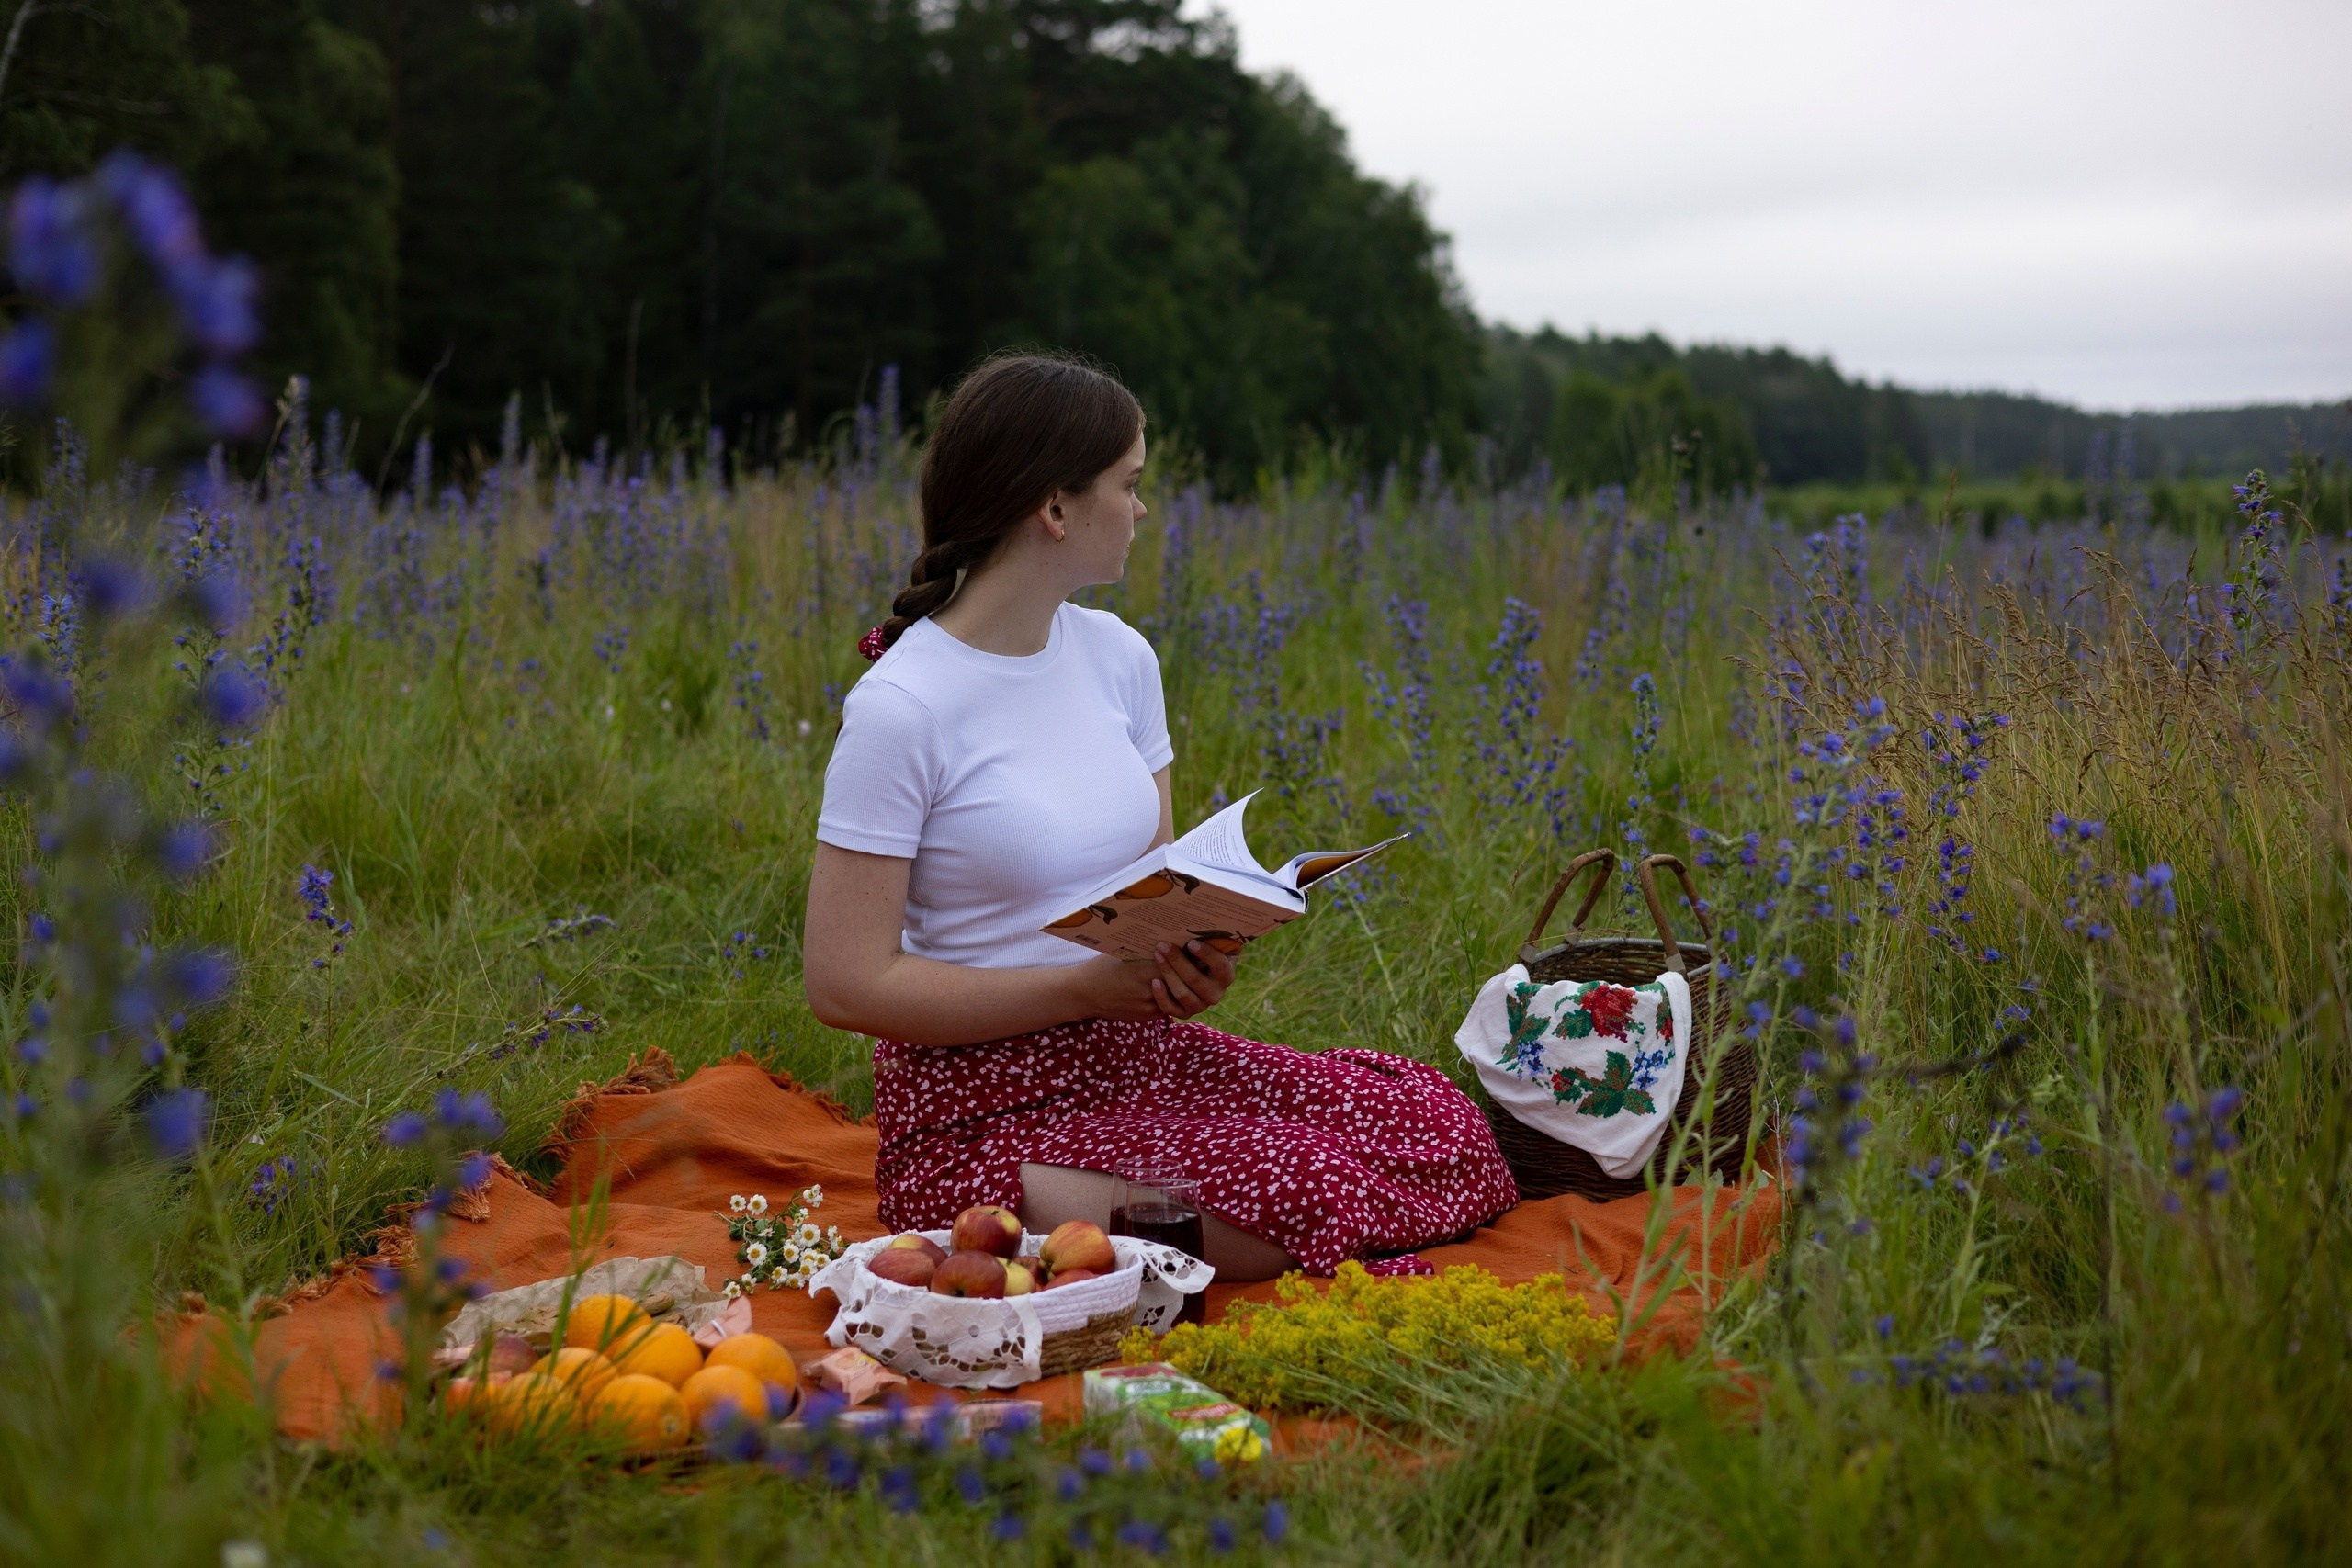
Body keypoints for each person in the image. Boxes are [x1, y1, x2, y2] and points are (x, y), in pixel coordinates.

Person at [802, 353, 1515, 1279]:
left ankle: (1179, 1220)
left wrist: (1187, 960)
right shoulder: (903, 708)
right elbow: (845, 985)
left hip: (1140, 1055)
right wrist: (1077, 992)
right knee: (1302, 1189)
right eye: (1128, 485)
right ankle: (1065, 1221)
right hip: (983, 1107)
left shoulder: (1119, 658)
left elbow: (1151, 891)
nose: (1141, 510)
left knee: (1437, 1121)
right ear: (1054, 508)